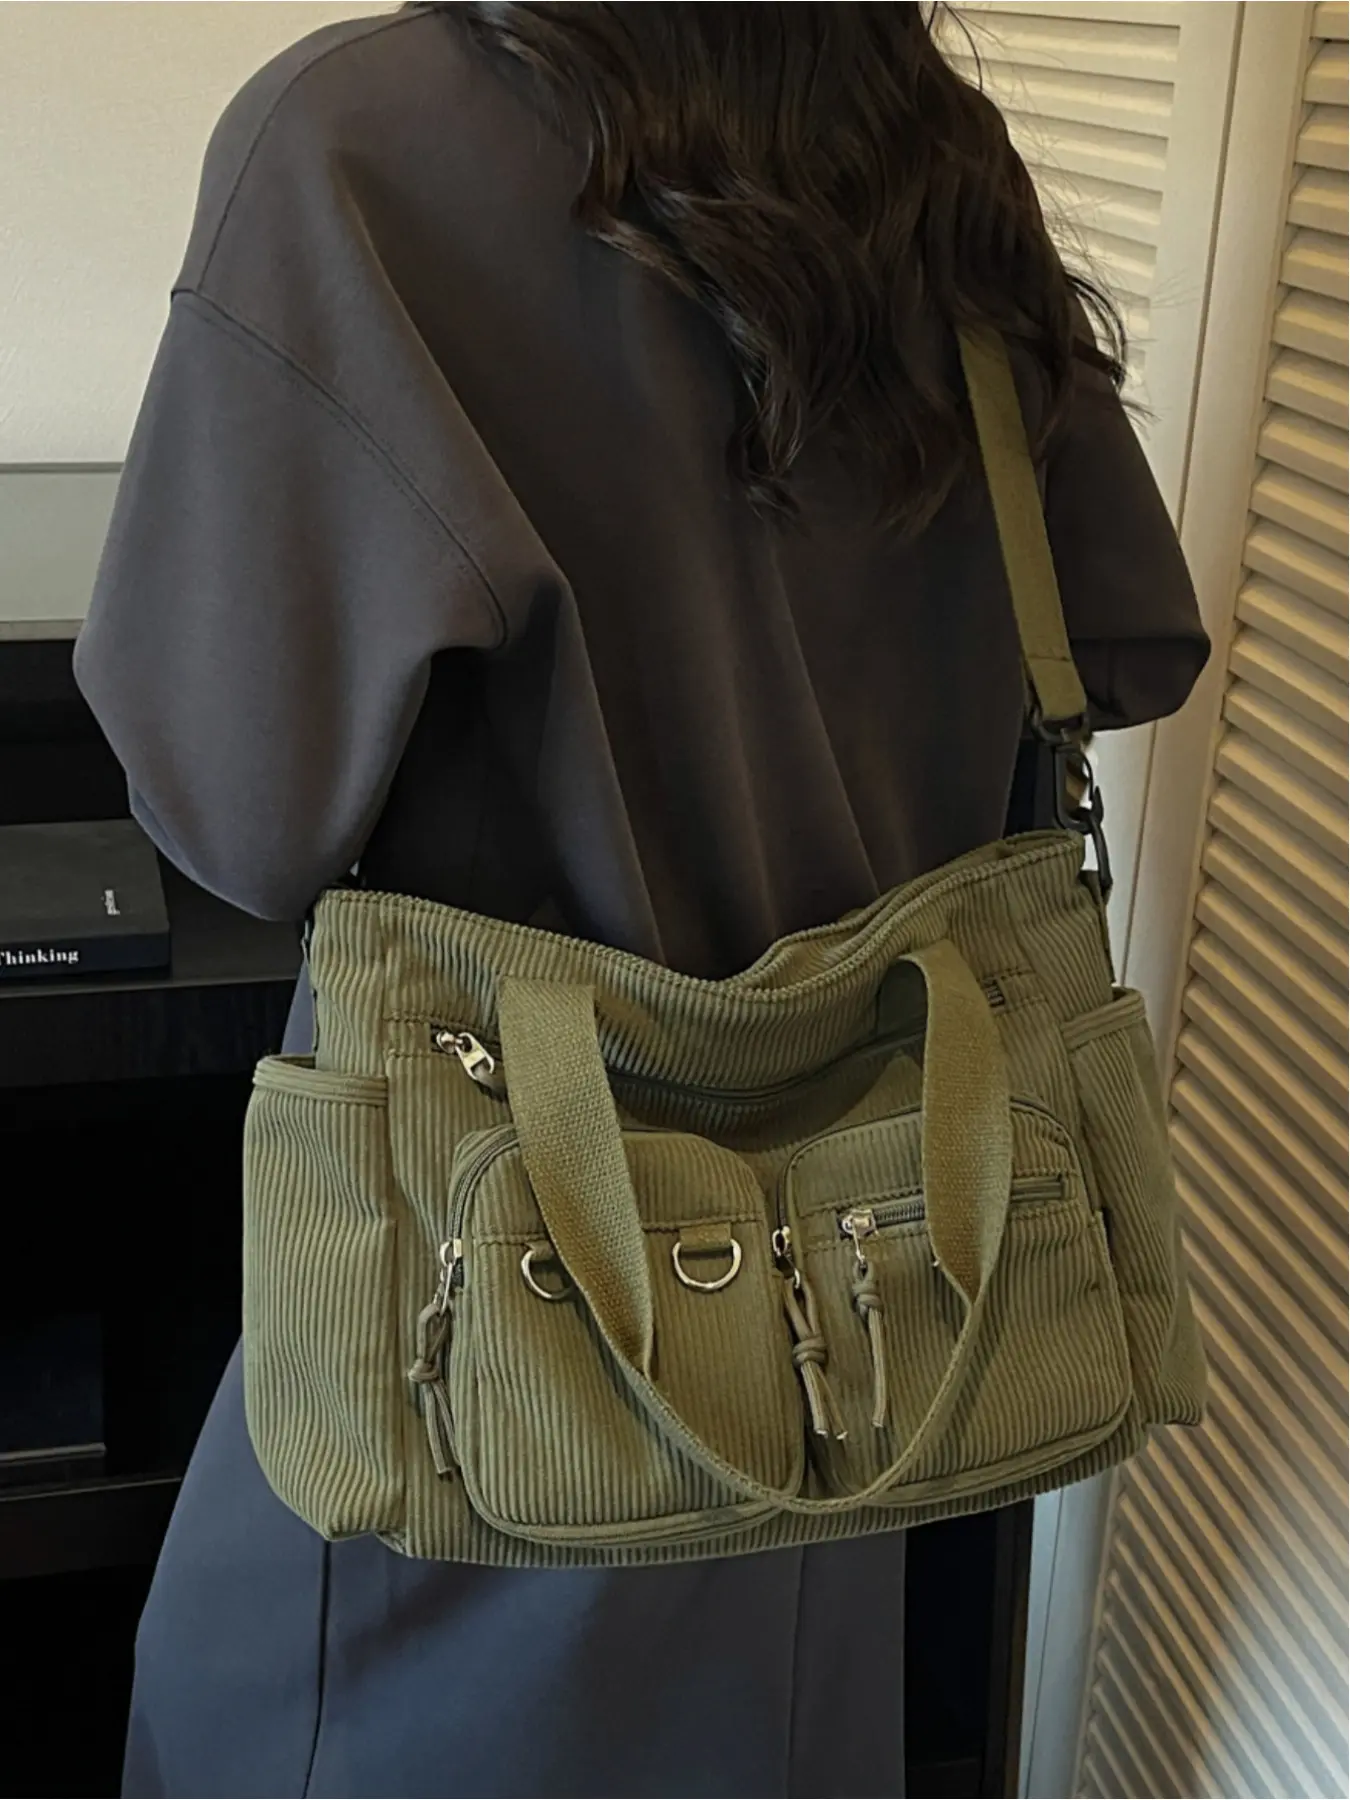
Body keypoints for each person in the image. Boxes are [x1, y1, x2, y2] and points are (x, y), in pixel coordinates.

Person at [74, 5, 1208, 1795]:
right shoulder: (923, 150)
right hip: (856, 1356)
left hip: (483, 1374)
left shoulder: (354, 143)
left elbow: (235, 812)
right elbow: (1117, 643)